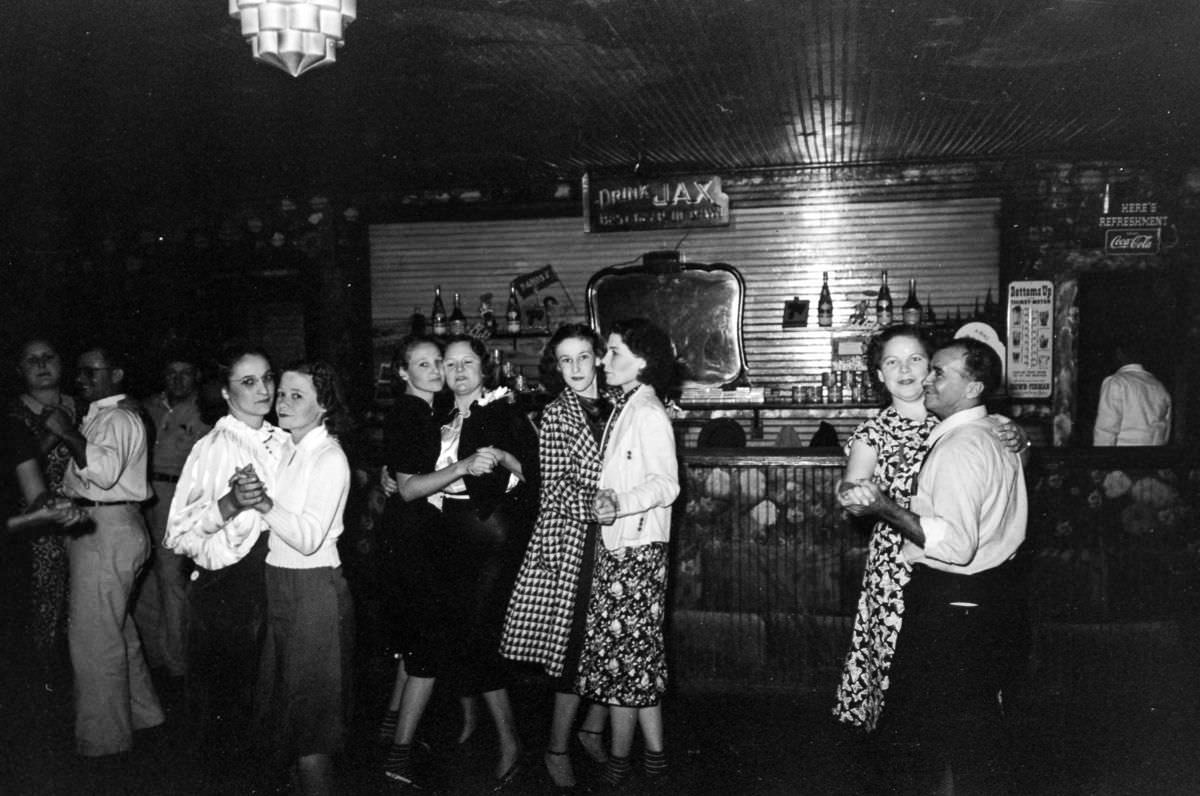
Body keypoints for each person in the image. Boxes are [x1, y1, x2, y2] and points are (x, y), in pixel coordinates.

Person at [840, 337, 1028, 793]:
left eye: (921, 362)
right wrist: (856, 495)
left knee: (943, 708)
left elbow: (990, 484)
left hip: (949, 576)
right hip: (898, 572)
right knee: (927, 705)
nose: (915, 374)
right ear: (878, 374)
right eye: (892, 361)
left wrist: (1020, 440)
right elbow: (850, 495)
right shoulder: (878, 431)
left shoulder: (972, 426)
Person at [376, 335, 498, 789]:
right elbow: (409, 487)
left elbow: (398, 474)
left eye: (436, 362)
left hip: (410, 537)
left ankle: (391, 730)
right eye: (421, 363)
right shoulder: (412, 413)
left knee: (414, 644)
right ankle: (399, 755)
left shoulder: (427, 413)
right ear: (404, 373)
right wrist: (464, 466)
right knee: (426, 650)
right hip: (410, 540)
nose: (432, 369)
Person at [233, 360, 354, 795]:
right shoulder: (288, 448)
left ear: (324, 406)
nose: (282, 402)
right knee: (285, 716)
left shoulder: (329, 457)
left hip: (313, 590)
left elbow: (305, 538)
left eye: (296, 396)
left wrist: (263, 504)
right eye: (281, 393)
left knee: (311, 729)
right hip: (280, 584)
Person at [501, 324, 612, 789]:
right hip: (574, 541)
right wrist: (602, 504)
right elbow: (557, 490)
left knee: (613, 642)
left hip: (620, 535)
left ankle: (592, 729)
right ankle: (556, 747)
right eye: (565, 361)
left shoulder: (620, 404)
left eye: (583, 357)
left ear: (598, 358)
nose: (575, 369)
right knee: (573, 654)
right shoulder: (554, 415)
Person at [164, 345, 289, 753]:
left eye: (268, 378)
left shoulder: (280, 439)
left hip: (270, 581)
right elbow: (179, 536)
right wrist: (230, 504)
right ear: (225, 392)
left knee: (264, 702)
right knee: (226, 710)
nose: (264, 389)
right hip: (227, 591)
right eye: (248, 382)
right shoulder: (214, 447)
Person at [575, 318, 680, 788]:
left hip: (635, 552)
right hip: (626, 546)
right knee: (639, 661)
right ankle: (654, 757)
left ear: (642, 361)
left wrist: (620, 503)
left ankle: (618, 765)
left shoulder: (647, 412)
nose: (603, 360)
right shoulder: (629, 406)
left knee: (621, 665)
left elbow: (666, 484)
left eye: (614, 352)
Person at [48, 346, 164, 757]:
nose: (80, 378)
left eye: (89, 371)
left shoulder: (115, 417)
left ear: (116, 374)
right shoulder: (108, 414)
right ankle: (143, 713)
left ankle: (104, 741)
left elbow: (102, 470)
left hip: (106, 527)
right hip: (109, 525)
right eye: (79, 371)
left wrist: (67, 432)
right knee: (116, 628)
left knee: (93, 638)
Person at [438, 335, 539, 788]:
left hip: (493, 531)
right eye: (450, 363)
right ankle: (470, 719)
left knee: (480, 636)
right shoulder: (438, 417)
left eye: (467, 363)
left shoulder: (502, 410)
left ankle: (510, 743)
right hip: (452, 532)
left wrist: (500, 455)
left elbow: (534, 470)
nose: (458, 371)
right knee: (460, 628)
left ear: (484, 369)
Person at [6, 337, 78, 689]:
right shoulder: (13, 414)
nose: (41, 364)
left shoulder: (83, 406)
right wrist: (53, 436)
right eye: (31, 360)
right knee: (43, 604)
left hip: (83, 520)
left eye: (48, 357)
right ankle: (44, 679)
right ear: (20, 370)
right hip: (34, 523)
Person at [135, 349, 211, 679]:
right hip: (141, 494)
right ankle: (153, 655)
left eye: (185, 372)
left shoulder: (206, 412)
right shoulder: (146, 407)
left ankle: (177, 662)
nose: (177, 379)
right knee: (143, 576)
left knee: (170, 578)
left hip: (177, 497)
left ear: (196, 375)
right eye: (171, 373)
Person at [1093, 342, 1171, 445]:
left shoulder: (1116, 382)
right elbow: (1165, 431)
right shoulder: (1159, 386)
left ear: (1119, 354)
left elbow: (1105, 431)